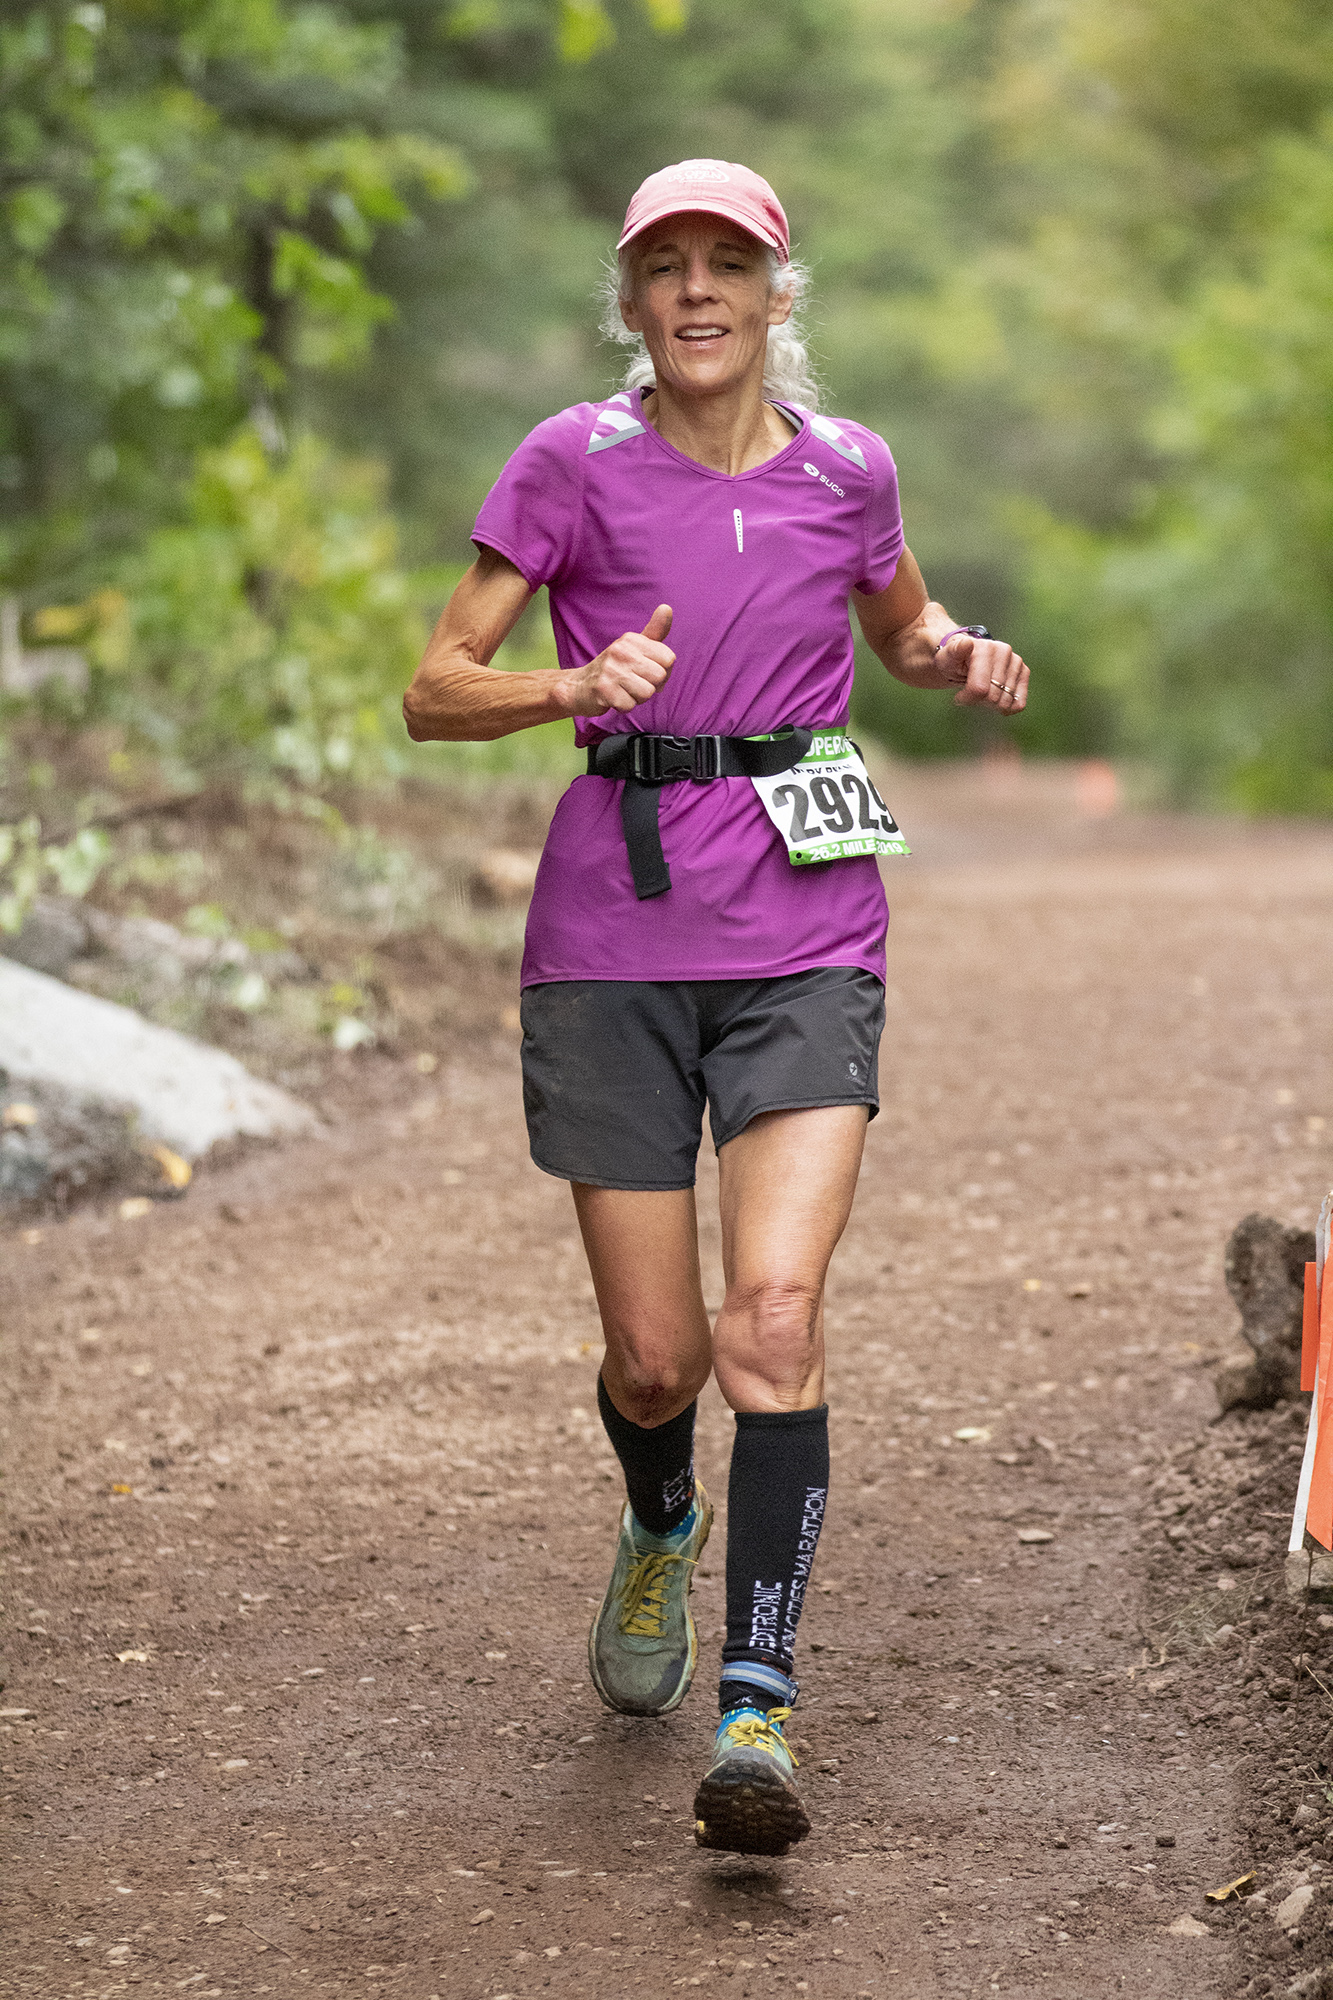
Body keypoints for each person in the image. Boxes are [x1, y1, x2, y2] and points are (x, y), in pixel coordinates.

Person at [404, 157, 1029, 1856]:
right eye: (664, 266)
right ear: (629, 301)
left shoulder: (849, 470)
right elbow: (432, 689)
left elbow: (902, 626)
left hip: (807, 925)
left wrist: (956, 654)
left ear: (774, 294)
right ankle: (660, 1518)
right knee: (656, 1357)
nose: (696, 291)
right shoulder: (568, 460)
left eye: (727, 265)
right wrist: (568, 681)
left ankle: (757, 1709)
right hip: (609, 930)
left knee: (771, 1318)